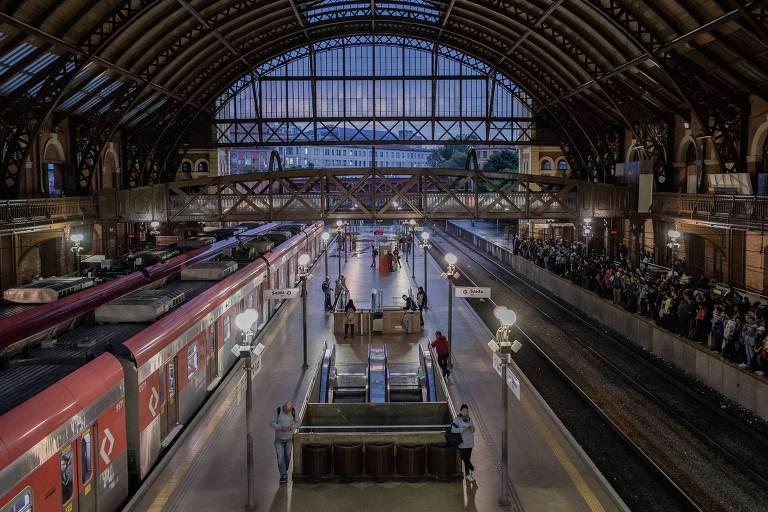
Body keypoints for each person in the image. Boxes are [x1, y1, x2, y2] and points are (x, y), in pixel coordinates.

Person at [270, 401, 299, 483]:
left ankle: (284, 468)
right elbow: (272, 423)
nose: (287, 413)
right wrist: (280, 428)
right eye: (286, 411)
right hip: (279, 439)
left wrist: (291, 428)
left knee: (288, 456)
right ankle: (283, 476)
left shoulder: (293, 411)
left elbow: (298, 422)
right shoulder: (278, 410)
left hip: (289, 439)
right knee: (280, 458)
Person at [451, 404, 475, 482]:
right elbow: (453, 430)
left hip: (470, 443)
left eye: (467, 411)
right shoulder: (457, 420)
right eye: (464, 411)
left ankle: (467, 475)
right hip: (462, 443)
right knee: (465, 459)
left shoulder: (469, 419)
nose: (465, 412)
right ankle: (472, 468)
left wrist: (472, 428)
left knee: (467, 459)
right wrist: (462, 429)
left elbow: (474, 429)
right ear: (461, 411)